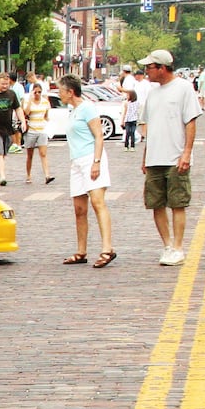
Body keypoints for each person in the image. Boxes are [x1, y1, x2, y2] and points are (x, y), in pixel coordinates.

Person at [137, 49, 200, 267]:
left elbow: (190, 122)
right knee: (156, 203)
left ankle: (179, 247)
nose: (146, 71)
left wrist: (187, 152)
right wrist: (145, 156)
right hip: (155, 157)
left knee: (178, 203)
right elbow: (149, 127)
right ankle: (167, 245)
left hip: (175, 157)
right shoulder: (152, 94)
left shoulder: (183, 88)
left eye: (149, 67)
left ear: (162, 68)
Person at [59, 75, 115, 269]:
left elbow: (99, 136)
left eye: (61, 91)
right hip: (76, 162)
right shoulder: (73, 111)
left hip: (90, 158)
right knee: (79, 209)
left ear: (70, 92)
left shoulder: (87, 108)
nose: (59, 94)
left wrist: (96, 162)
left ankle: (107, 248)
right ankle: (81, 251)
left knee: (98, 202)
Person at [20, 82, 53, 183]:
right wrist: (30, 99)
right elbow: (26, 112)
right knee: (30, 155)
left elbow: (46, 115)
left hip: (42, 130)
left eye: (39, 92)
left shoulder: (45, 102)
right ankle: (28, 175)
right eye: (36, 92)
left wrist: (49, 124)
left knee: (43, 153)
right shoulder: (28, 101)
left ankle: (47, 175)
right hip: (31, 130)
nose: (37, 94)